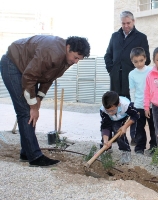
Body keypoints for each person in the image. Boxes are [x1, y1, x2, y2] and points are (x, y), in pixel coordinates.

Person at [0, 35, 91, 167]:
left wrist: (39, 99)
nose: (76, 61)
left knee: (30, 111)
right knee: (25, 111)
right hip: (13, 64)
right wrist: (33, 107)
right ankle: (35, 157)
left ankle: (26, 152)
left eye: (79, 59)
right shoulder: (51, 52)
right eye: (76, 57)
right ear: (68, 47)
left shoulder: (66, 59)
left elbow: (48, 78)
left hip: (28, 72)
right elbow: (29, 77)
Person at [104, 10, 151, 145]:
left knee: (132, 107)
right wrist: (111, 70)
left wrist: (135, 71)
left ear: (133, 21)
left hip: (132, 80)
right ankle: (116, 134)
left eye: (128, 23)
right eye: (123, 23)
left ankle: (134, 136)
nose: (126, 26)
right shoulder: (114, 36)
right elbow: (108, 55)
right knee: (115, 106)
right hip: (116, 80)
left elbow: (146, 60)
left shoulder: (141, 37)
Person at [128, 47, 156, 155]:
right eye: (136, 62)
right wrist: (133, 103)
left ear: (145, 58)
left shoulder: (151, 71)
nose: (139, 64)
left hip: (152, 105)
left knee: (153, 127)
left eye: (141, 60)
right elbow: (132, 90)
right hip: (139, 105)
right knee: (139, 128)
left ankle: (154, 146)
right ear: (132, 61)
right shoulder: (132, 74)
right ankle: (140, 147)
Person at [99, 91, 140, 163]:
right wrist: (106, 141)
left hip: (121, 117)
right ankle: (106, 148)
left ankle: (125, 151)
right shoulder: (103, 110)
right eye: (108, 111)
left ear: (118, 104)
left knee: (118, 129)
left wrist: (125, 126)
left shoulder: (126, 105)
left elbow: (136, 115)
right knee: (105, 135)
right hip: (109, 120)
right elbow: (105, 126)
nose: (110, 113)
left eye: (112, 110)